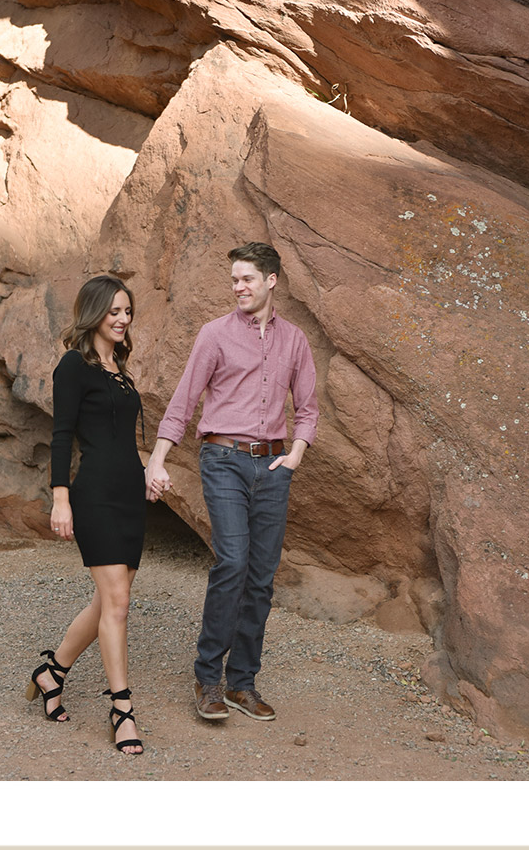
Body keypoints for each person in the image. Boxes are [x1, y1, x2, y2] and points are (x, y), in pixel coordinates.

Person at [146, 242, 318, 722]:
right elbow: (184, 399)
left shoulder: (295, 341)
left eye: (247, 279)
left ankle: (242, 683)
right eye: (234, 280)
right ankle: (208, 679)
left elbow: (307, 408)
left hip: (274, 465)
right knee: (233, 563)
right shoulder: (214, 334)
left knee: (261, 577)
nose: (238, 287)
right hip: (223, 459)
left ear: (271, 281)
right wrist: (157, 460)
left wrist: (295, 455)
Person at [27, 274, 150, 754]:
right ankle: (122, 709)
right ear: (94, 313)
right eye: (114, 311)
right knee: (117, 603)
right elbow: (62, 435)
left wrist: (148, 473)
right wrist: (61, 498)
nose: (123, 319)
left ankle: (51, 672)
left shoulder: (119, 367)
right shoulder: (73, 366)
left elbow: (121, 440)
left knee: (107, 602)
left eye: (127, 311)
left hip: (130, 494)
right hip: (95, 495)